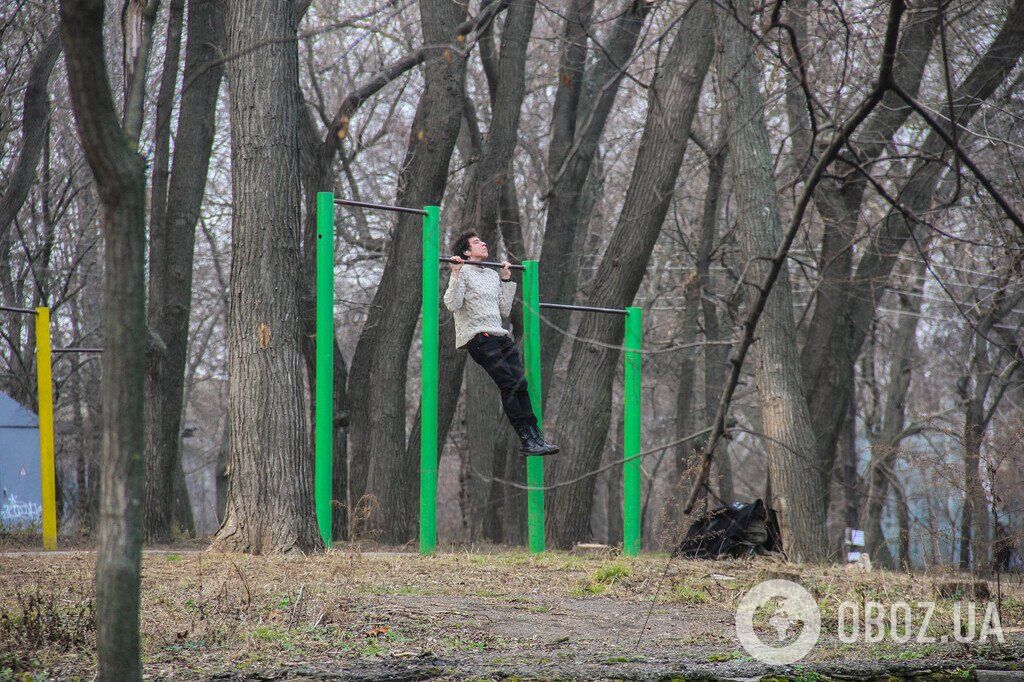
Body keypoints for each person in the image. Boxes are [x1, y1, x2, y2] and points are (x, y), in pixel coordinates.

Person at [443, 230, 559, 456]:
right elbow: (452, 304)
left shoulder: (491, 275)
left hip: (500, 335)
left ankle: (535, 436)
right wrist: (455, 275)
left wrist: (506, 279)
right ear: (466, 252)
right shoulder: (463, 272)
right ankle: (526, 439)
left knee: (520, 384)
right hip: (479, 337)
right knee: (508, 384)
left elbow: (503, 310)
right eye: (477, 242)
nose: (483, 243)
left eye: (482, 240)